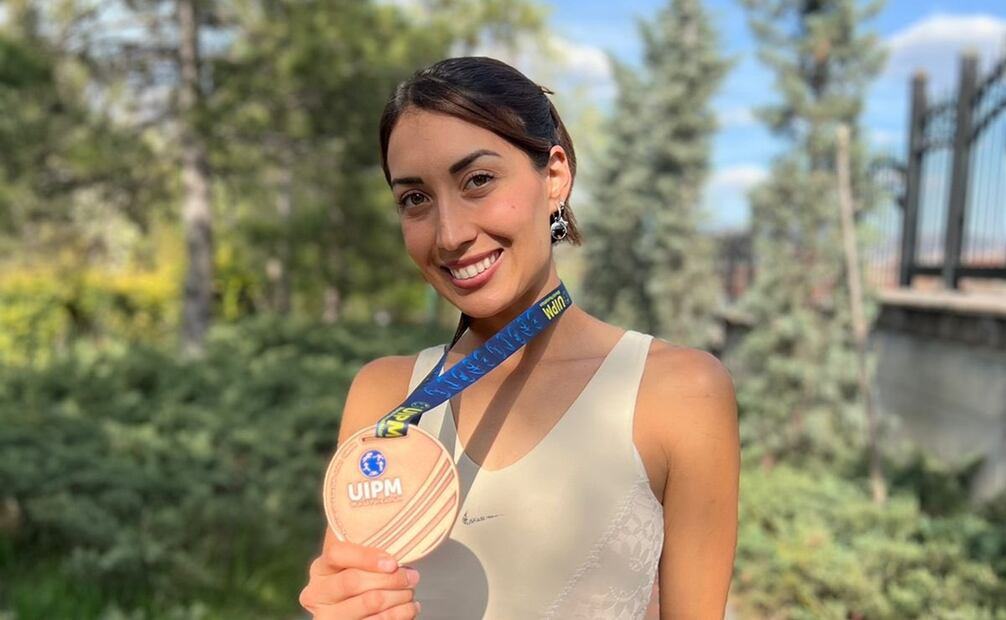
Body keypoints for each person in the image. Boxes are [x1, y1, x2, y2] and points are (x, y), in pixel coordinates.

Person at [299, 56, 739, 620]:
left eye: (478, 180)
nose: (450, 234)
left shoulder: (679, 391)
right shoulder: (383, 397)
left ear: (554, 176)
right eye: (415, 199)